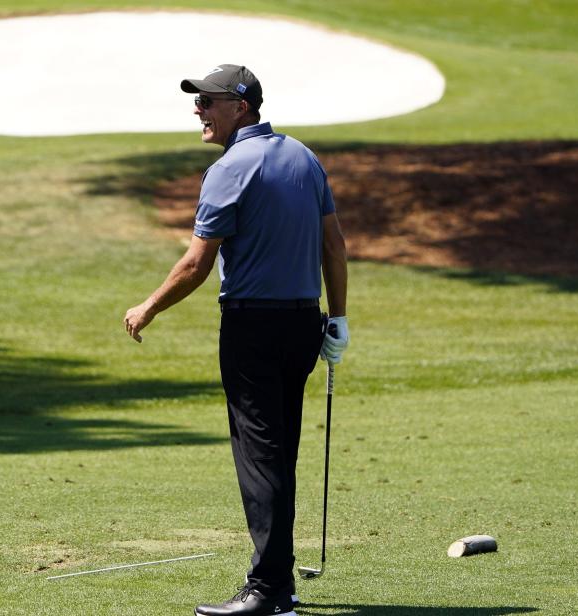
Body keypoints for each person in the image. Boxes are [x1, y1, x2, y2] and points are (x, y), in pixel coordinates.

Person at [123, 64, 349, 616]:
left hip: (253, 327)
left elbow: (197, 264)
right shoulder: (304, 157)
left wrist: (148, 306)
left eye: (208, 101)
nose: (198, 109)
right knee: (279, 454)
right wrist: (338, 320)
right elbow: (334, 247)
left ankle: (269, 591)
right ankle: (281, 582)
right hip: (304, 325)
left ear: (240, 107)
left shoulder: (228, 169)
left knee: (259, 458)